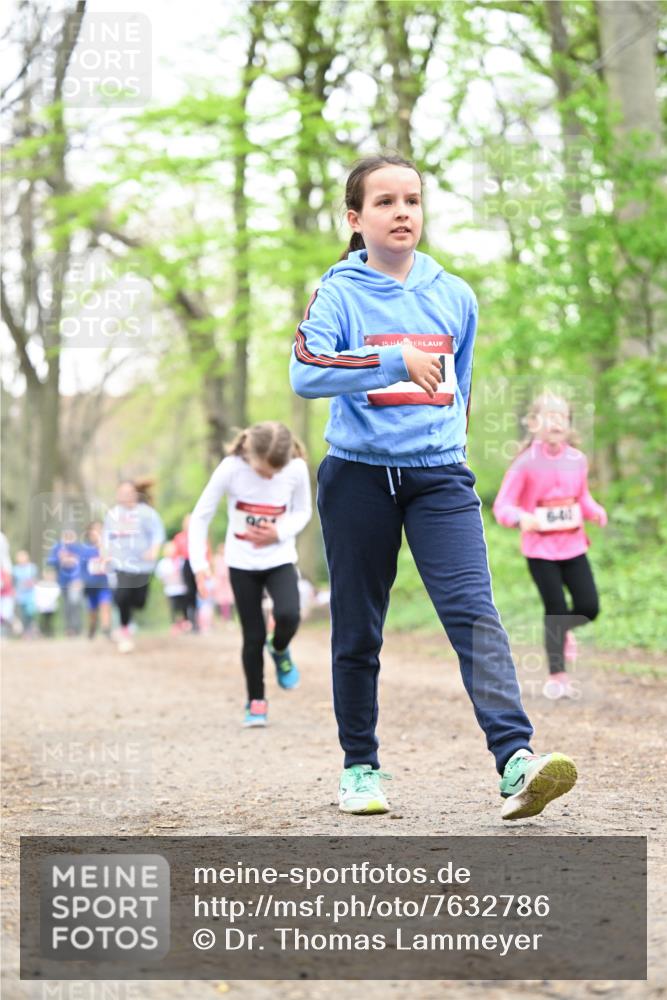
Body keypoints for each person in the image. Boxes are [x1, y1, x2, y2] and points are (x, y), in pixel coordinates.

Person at [289, 153, 577, 821]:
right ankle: (359, 767)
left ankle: (516, 760)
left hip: (439, 478)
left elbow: (462, 388)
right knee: (358, 629)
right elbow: (305, 372)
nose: (402, 213)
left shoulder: (454, 295)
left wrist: (446, 448)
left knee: (473, 615)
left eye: (411, 201)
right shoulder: (337, 292)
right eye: (385, 202)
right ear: (355, 219)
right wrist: (393, 357)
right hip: (356, 477)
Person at [188, 421, 312, 728]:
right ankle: (256, 700)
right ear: (247, 451)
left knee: (289, 615)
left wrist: (279, 531)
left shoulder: (295, 470)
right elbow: (201, 515)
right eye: (263, 470)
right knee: (252, 636)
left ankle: (280, 648)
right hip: (242, 563)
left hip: (280, 557)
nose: (269, 476)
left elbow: (303, 511)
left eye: (274, 471)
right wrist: (199, 565)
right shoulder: (231, 468)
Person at [493, 391, 607, 699]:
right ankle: (557, 677)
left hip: (573, 546)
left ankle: (564, 632)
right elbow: (502, 506)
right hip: (540, 551)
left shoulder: (578, 460)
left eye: (563, 417)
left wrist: (594, 510)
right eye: (550, 415)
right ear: (533, 423)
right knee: (555, 609)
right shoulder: (525, 464)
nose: (557, 422)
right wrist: (521, 518)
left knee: (589, 607)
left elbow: (581, 498)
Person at [103, 480, 165, 653]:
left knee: (139, 601)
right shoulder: (112, 515)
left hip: (143, 565)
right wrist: (105, 554)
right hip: (121, 563)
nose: (125, 496)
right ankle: (124, 631)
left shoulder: (147, 513)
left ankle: (129, 619)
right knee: (122, 596)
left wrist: (154, 549)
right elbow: (106, 537)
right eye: (122, 493)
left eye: (129, 492)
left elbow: (158, 534)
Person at [47, 528, 84, 636]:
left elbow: (83, 565)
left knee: (75, 604)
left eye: (70, 537)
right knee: (66, 606)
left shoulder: (78, 549)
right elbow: (51, 561)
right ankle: (69, 628)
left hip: (75, 581)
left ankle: (77, 628)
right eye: (66, 537)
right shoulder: (58, 548)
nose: (68, 539)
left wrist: (80, 579)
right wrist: (59, 558)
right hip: (62, 581)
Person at [80, 521, 113, 640]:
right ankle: (92, 627)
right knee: (93, 610)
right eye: (95, 530)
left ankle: (106, 629)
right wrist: (81, 580)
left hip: (104, 583)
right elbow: (81, 567)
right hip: (90, 584)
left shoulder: (107, 547)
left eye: (101, 530)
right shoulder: (85, 549)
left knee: (105, 604)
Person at [155, 540, 190, 634]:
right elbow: (160, 576)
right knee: (173, 608)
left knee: (184, 607)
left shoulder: (181, 560)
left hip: (182, 588)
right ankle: (174, 625)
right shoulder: (163, 563)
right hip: (170, 589)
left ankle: (185, 622)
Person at [173, 514, 200, 632]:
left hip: (197, 564)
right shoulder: (179, 537)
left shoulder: (199, 535)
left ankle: (195, 622)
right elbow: (175, 554)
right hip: (185, 564)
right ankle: (186, 620)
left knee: (195, 593)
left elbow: (206, 551)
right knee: (186, 592)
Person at [12, 550, 38, 636]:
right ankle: (25, 632)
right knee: (23, 615)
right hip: (20, 595)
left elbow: (35, 580)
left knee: (30, 613)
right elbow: (14, 583)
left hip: (30, 595)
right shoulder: (15, 569)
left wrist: (31, 583)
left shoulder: (32, 567)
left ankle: (31, 629)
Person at [34, 567, 60, 637]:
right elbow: (37, 594)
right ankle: (43, 632)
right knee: (43, 620)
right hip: (42, 606)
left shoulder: (55, 584)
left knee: (50, 620)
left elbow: (56, 595)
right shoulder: (40, 584)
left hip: (51, 606)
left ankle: (50, 633)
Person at [212, 542, 234, 621]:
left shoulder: (228, 558)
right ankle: (222, 617)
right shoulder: (216, 558)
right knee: (221, 600)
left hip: (227, 582)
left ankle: (229, 617)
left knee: (229, 600)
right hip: (219, 582)